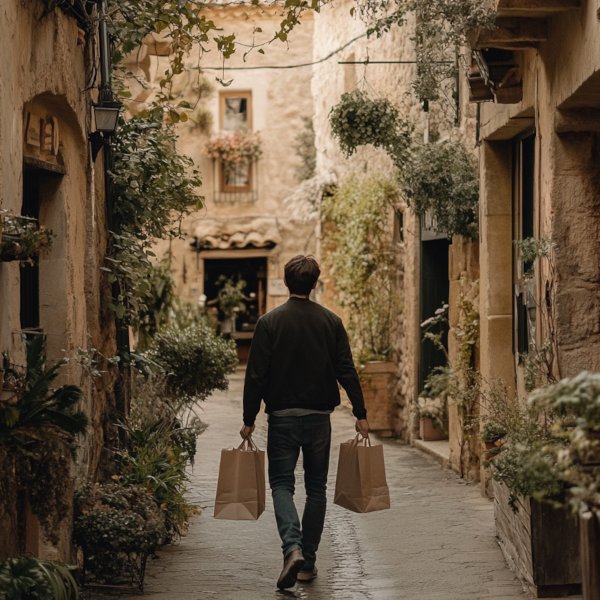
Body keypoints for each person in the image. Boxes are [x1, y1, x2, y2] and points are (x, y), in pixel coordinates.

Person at [240, 255, 369, 590]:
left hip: (281, 418)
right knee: (316, 489)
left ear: (286, 282)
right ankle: (308, 563)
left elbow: (256, 375)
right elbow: (346, 370)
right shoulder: (331, 322)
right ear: (315, 283)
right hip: (318, 420)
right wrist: (361, 413)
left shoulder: (269, 323)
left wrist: (249, 418)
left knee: (282, 485)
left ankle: (291, 547)